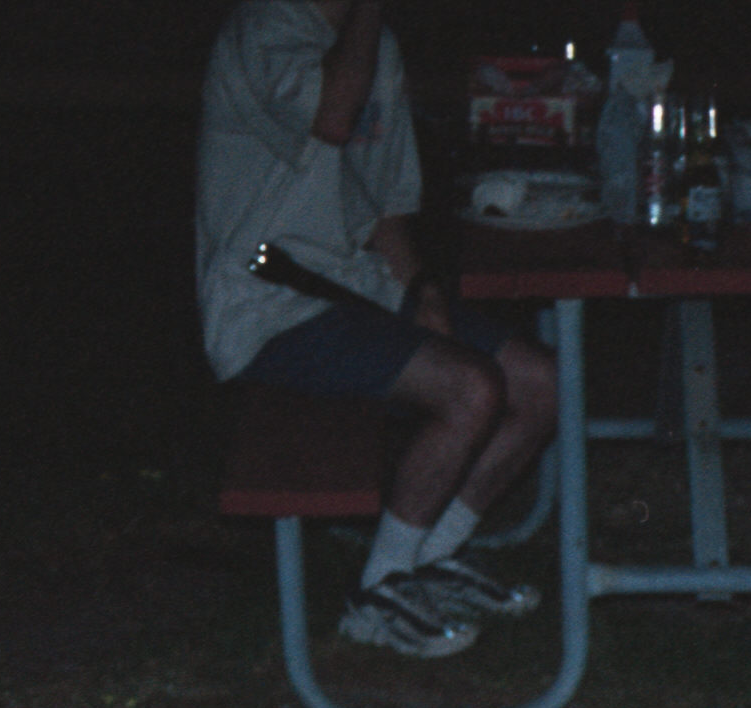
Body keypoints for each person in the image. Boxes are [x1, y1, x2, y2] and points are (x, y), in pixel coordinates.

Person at [197, 0, 556, 659]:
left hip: (354, 289)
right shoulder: (266, 30)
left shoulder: (375, 43)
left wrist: (424, 292)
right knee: (471, 389)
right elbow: (333, 117)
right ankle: (378, 594)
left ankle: (430, 556)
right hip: (265, 303)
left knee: (537, 381)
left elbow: (386, 210)